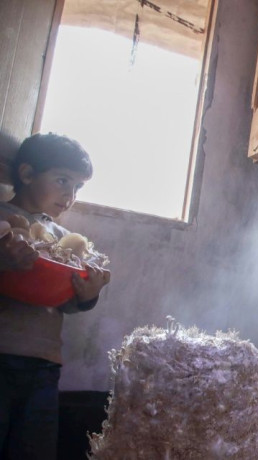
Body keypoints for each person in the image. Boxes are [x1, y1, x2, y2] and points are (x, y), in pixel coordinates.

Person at [0, 133, 111, 459]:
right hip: (1, 354)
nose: (70, 194)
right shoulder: (3, 220)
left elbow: (65, 299)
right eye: (62, 180)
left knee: (35, 450)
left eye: (78, 187)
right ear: (27, 174)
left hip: (43, 367)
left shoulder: (67, 240)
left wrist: (87, 295)